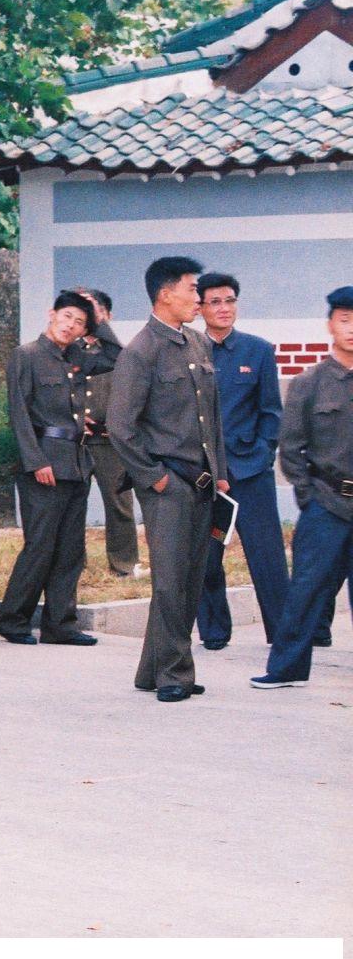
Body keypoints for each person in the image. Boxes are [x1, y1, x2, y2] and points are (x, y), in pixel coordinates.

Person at [108, 255, 227, 702]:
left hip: (201, 482)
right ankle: (175, 673)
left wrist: (221, 475)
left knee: (192, 577)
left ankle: (151, 669)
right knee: (170, 581)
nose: (199, 298)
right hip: (168, 484)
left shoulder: (198, 344)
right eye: (192, 289)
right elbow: (120, 425)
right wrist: (152, 478)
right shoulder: (141, 351)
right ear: (165, 294)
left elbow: (211, 417)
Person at [252, 285, 353, 691]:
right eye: (345, 320)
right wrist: (310, 499)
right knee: (306, 589)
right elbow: (290, 448)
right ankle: (286, 669)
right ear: (330, 325)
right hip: (326, 504)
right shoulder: (309, 383)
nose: (352, 329)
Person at [0, 291, 102, 647]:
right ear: (51, 314)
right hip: (44, 462)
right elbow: (19, 413)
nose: (71, 326)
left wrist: (99, 317)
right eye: (68, 316)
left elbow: (117, 357)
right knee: (40, 545)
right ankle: (13, 620)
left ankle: (61, 624)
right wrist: (35, 460)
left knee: (71, 548)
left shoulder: (77, 357)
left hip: (76, 461)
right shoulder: (27, 355)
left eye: (80, 323)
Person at [194, 272, 290, 651]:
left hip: (250, 471)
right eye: (214, 301)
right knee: (206, 557)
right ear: (200, 307)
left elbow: (271, 412)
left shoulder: (258, 351)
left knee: (267, 556)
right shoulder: (189, 351)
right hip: (202, 473)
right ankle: (215, 632)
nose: (223, 308)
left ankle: (283, 634)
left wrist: (263, 455)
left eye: (229, 300)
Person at [76, 288, 141, 577]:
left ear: (107, 314)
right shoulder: (69, 349)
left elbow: (121, 359)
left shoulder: (117, 352)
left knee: (119, 503)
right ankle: (73, 563)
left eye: (93, 308)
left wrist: (100, 326)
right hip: (75, 439)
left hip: (108, 440)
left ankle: (124, 563)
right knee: (72, 504)